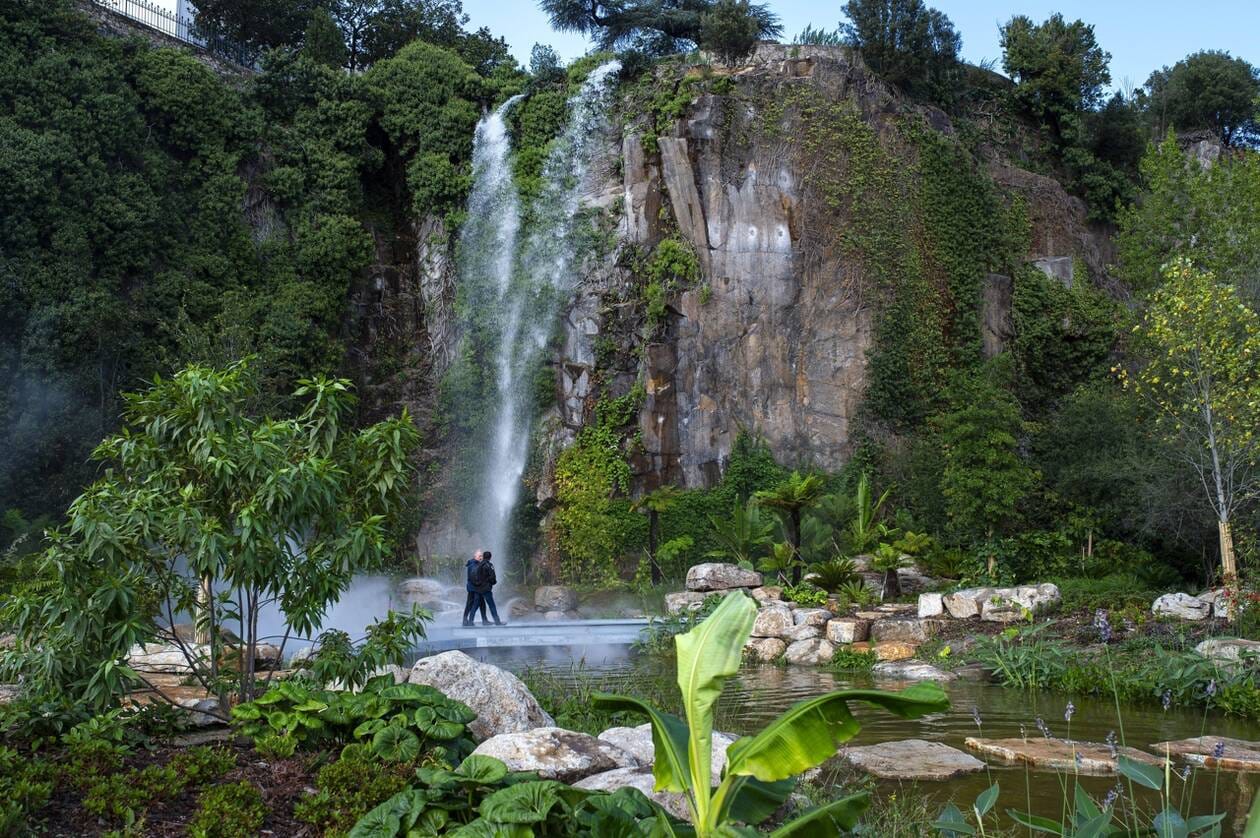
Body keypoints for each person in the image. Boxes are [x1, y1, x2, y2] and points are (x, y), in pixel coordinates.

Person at [471, 549, 503, 626]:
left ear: (483, 557)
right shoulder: (489, 565)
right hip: (486, 589)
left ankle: (470, 621)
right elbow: (492, 577)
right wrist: (492, 582)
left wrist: (477, 585)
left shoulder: (478, 565)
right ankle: (497, 621)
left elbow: (473, 576)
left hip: (478, 588)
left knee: (475, 606)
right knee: (491, 605)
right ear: (490, 557)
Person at [461, 550, 481, 627]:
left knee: (469, 604)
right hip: (474, 588)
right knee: (475, 603)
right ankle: (469, 620)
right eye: (479, 556)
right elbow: (473, 576)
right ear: (475, 556)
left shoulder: (473, 563)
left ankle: (466, 620)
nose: (481, 557)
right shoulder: (473, 564)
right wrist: (479, 583)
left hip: (472, 587)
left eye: (481, 556)